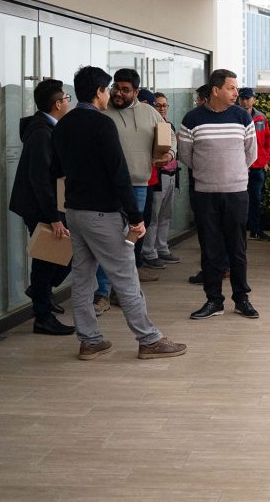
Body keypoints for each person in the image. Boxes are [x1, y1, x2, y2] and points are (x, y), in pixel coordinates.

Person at [51, 65, 186, 360]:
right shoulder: (102, 124)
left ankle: (89, 340)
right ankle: (149, 339)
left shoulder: (63, 124)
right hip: (104, 213)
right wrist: (136, 217)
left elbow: (56, 170)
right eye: (108, 89)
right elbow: (118, 172)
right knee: (125, 276)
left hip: (75, 211)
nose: (110, 94)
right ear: (99, 92)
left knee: (82, 279)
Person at [178, 69, 259, 321]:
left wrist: (232, 174)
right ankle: (214, 300)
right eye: (231, 88)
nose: (236, 93)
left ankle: (242, 299)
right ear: (216, 90)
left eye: (236, 88)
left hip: (236, 193)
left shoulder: (242, 117)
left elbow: (251, 153)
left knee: (237, 248)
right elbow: (186, 155)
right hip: (205, 194)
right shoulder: (192, 119)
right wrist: (209, 173)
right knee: (210, 249)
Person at [8, 78, 75, 336]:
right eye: (67, 98)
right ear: (57, 104)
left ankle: (41, 293)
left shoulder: (48, 128)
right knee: (48, 258)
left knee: (55, 256)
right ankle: (43, 315)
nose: (68, 102)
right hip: (40, 206)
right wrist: (53, 217)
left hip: (47, 204)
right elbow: (40, 179)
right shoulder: (41, 133)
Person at [101, 69, 174, 289]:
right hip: (107, 187)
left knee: (130, 240)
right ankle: (103, 291)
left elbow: (169, 135)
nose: (118, 93)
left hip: (139, 187)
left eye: (125, 89)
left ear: (136, 91)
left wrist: (169, 154)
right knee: (107, 240)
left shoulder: (149, 112)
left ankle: (122, 288)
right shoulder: (102, 111)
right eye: (116, 87)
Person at [142, 92, 180, 266]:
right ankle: (149, 252)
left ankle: (162, 248)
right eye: (158, 105)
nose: (162, 108)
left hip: (171, 175)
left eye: (165, 105)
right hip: (158, 176)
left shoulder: (169, 125)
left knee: (166, 215)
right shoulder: (150, 125)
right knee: (154, 216)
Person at [240, 87, 270, 242]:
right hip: (240, 166)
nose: (245, 101)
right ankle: (239, 232)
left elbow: (267, 140)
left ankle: (255, 230)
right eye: (243, 98)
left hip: (258, 165)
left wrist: (265, 160)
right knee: (239, 200)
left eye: (248, 98)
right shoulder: (235, 116)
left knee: (256, 200)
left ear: (253, 99)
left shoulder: (261, 118)